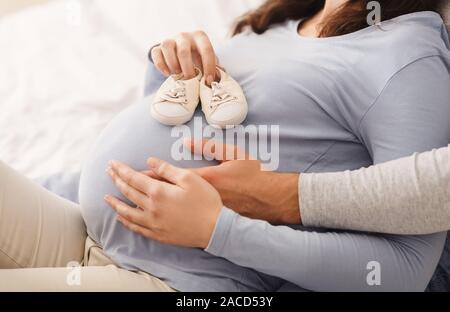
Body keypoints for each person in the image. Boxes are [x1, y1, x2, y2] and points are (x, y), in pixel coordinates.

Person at [0, 0, 449, 292]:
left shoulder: (410, 59)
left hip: (181, 284)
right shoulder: (284, 18)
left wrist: (221, 231)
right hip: (94, 232)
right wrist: (171, 69)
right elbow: (179, 133)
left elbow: (403, 273)